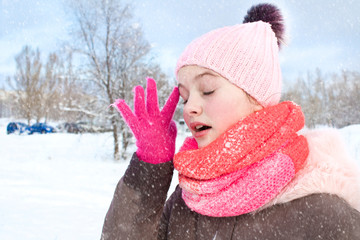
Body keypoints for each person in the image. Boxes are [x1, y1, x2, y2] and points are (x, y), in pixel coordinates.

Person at [101, 3, 360, 240]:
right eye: (184, 97)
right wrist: (150, 168)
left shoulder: (324, 212)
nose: (190, 107)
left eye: (208, 90)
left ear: (256, 99)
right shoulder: (187, 201)